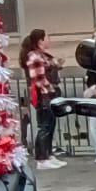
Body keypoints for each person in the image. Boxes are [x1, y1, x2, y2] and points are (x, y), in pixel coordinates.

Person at [20, 28, 64, 169]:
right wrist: (51, 89)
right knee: (44, 126)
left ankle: (49, 154)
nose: (49, 40)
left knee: (50, 125)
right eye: (47, 37)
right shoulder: (34, 56)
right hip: (43, 95)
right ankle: (42, 158)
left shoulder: (42, 55)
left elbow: (50, 65)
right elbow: (39, 79)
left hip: (48, 93)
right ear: (40, 40)